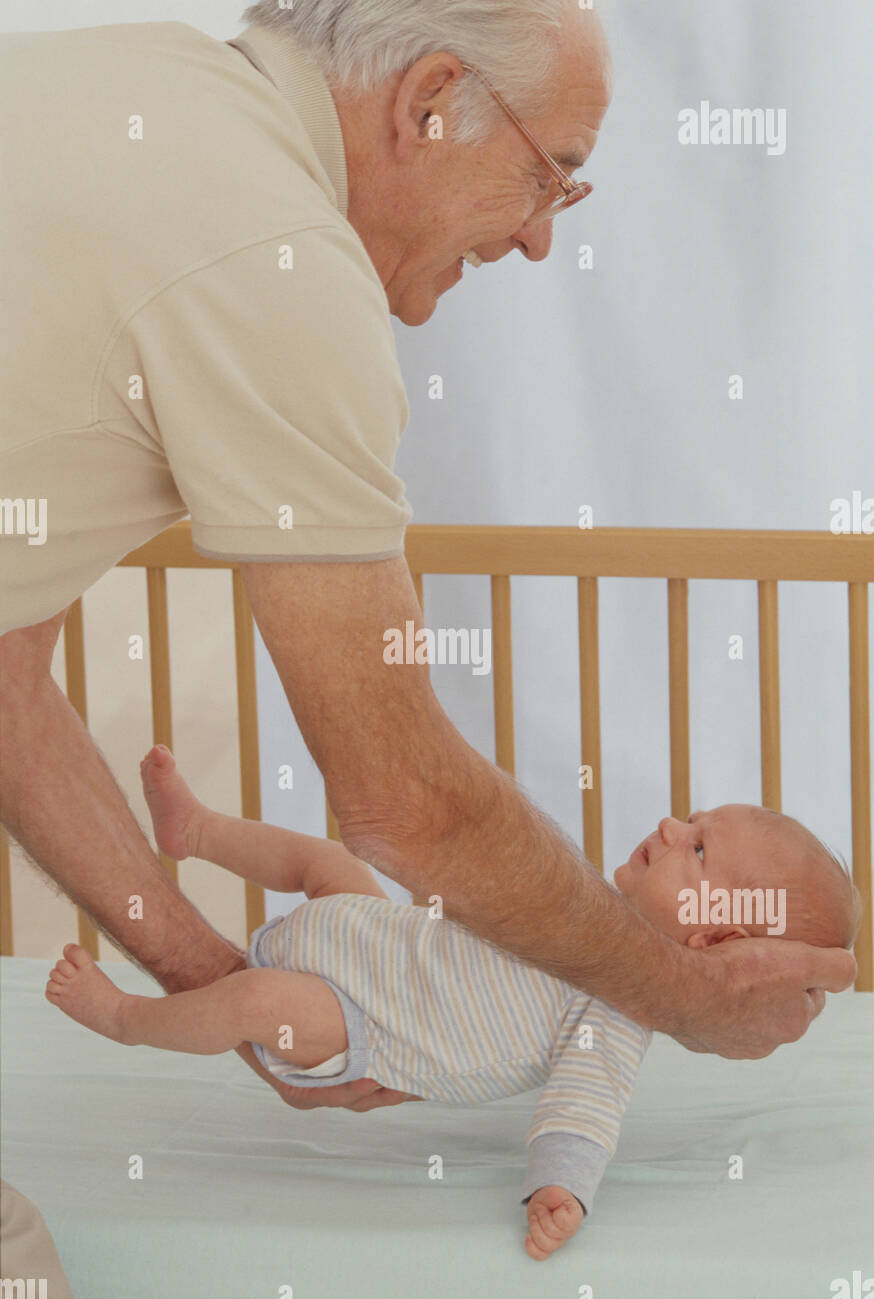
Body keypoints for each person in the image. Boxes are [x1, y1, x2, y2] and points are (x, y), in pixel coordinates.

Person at [0, 3, 855, 1151]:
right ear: (429, 101)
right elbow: (406, 802)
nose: (542, 237)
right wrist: (684, 993)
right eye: (550, 176)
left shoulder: (133, 72)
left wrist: (213, 981)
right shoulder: (280, 263)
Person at [44, 746, 861, 1261]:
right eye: (692, 820)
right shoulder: (576, 892)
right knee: (326, 859)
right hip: (365, 932)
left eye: (699, 849)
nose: (670, 825)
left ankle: (126, 1019)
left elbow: (586, 1107)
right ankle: (199, 831)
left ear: (714, 944)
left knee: (252, 998)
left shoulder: (617, 1009)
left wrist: (560, 1190)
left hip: (353, 1020)